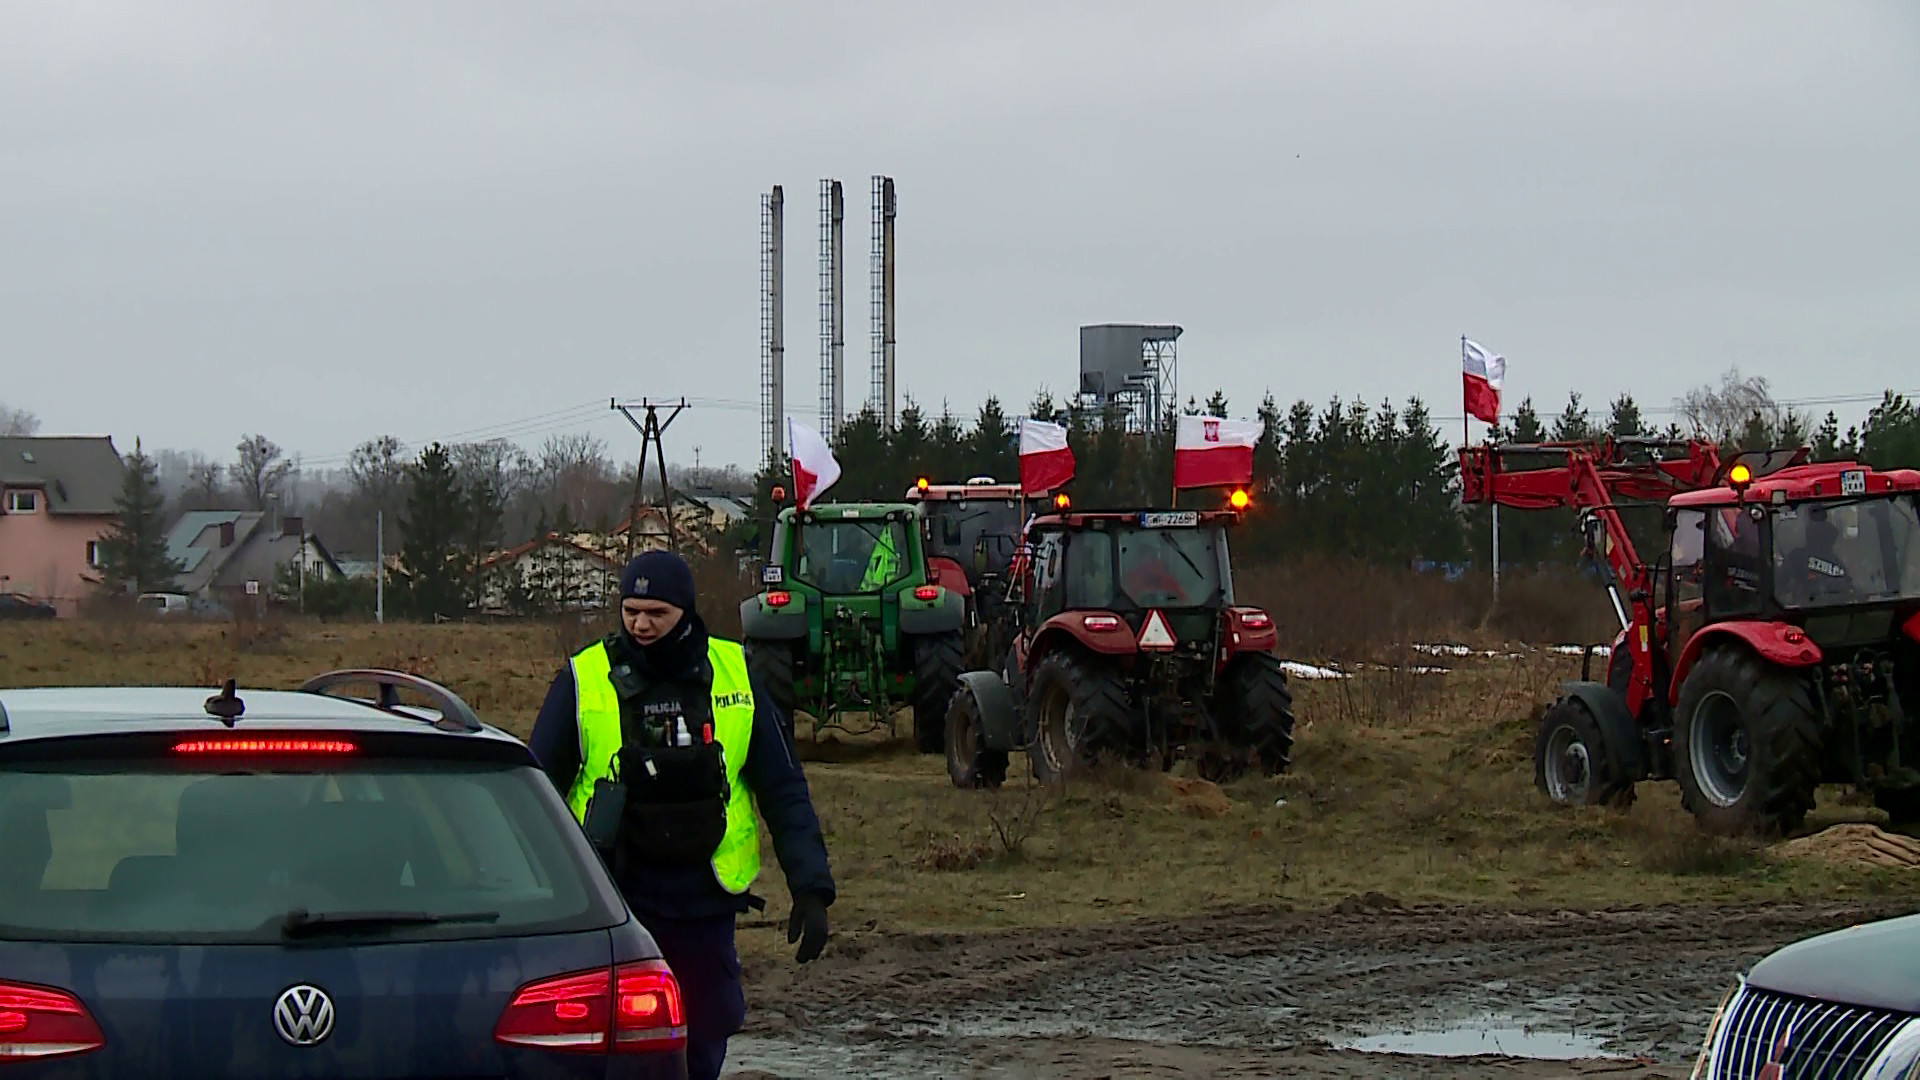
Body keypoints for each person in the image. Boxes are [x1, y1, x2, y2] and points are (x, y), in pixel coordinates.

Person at [529, 550, 835, 1080]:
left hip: (704, 903)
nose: (641, 625)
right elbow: (533, 795)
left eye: (655, 613)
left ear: (685, 613)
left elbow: (783, 789)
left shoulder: (735, 673)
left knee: (701, 1040)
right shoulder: (584, 679)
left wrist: (812, 888)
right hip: (614, 902)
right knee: (614, 1047)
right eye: (630, 611)